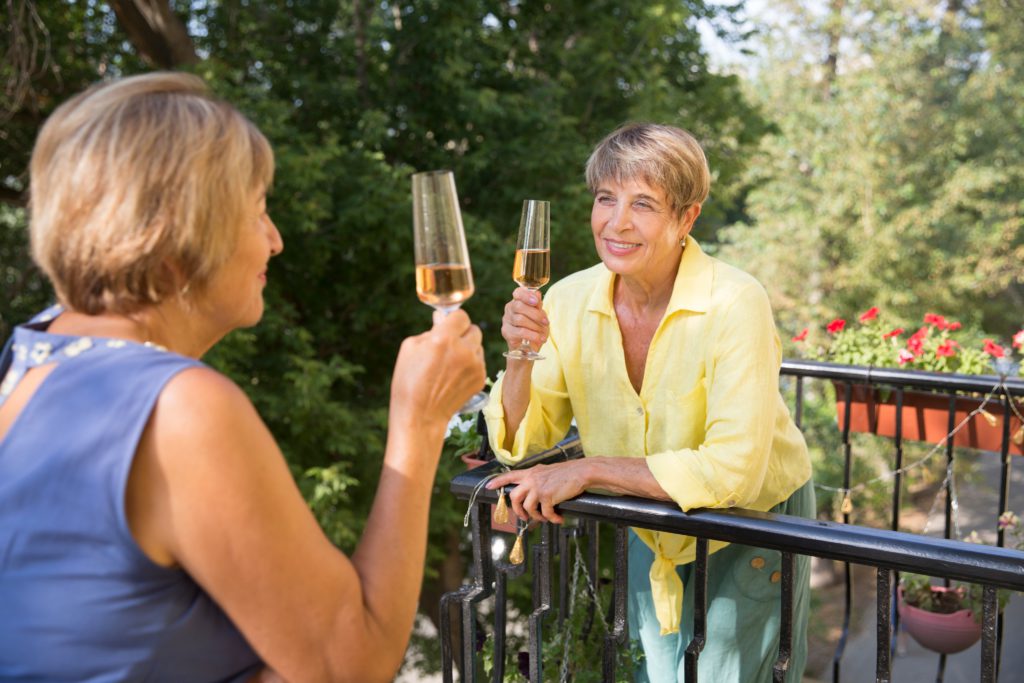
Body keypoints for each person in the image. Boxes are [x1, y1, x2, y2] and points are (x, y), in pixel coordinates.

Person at [0, 72, 486, 683]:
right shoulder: (176, 410)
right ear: (182, 232)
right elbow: (351, 666)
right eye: (258, 211)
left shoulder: (30, 355)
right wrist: (420, 423)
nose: (276, 242)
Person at [484, 122, 814, 682]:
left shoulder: (735, 302)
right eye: (605, 199)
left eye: (644, 204)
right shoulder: (566, 298)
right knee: (655, 673)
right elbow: (521, 442)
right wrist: (520, 355)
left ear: (687, 217)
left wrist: (589, 470)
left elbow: (732, 470)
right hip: (651, 515)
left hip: (749, 523)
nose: (617, 222)